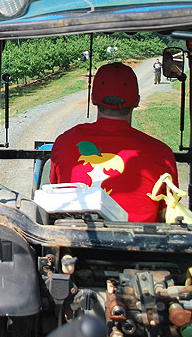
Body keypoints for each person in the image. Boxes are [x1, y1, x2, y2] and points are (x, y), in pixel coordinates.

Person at [49, 62, 178, 222]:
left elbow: (56, 196)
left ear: (93, 99)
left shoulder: (64, 142)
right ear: (137, 101)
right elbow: (168, 216)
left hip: (76, 243)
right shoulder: (161, 153)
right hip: (139, 245)